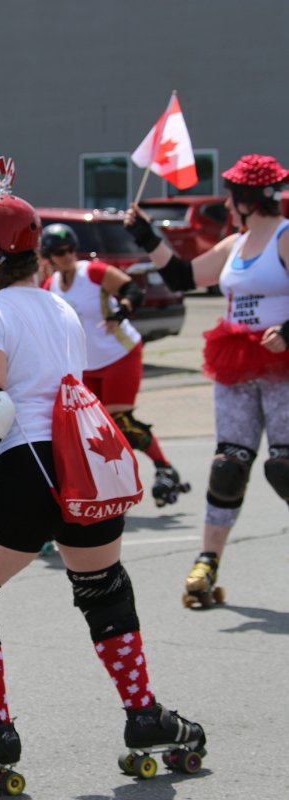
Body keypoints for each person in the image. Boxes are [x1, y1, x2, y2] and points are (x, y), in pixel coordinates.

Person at [0, 186, 206, 789]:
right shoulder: (60, 307)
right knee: (103, 591)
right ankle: (146, 717)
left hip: (28, 471)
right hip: (85, 466)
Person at [124, 153, 289, 606]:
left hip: (283, 365)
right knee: (228, 467)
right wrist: (146, 235)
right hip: (236, 363)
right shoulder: (235, 244)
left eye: (233, 195)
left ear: (250, 197)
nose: (227, 204)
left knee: (284, 468)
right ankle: (207, 561)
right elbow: (182, 277)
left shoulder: (284, 236)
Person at [41, 223, 189, 507]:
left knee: (120, 421)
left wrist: (120, 312)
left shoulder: (93, 273)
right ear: (49, 257)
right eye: (60, 252)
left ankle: (164, 467)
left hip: (120, 354)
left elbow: (133, 290)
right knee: (93, 428)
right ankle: (107, 483)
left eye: (71, 249)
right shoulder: (50, 286)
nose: (68, 255)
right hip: (87, 364)